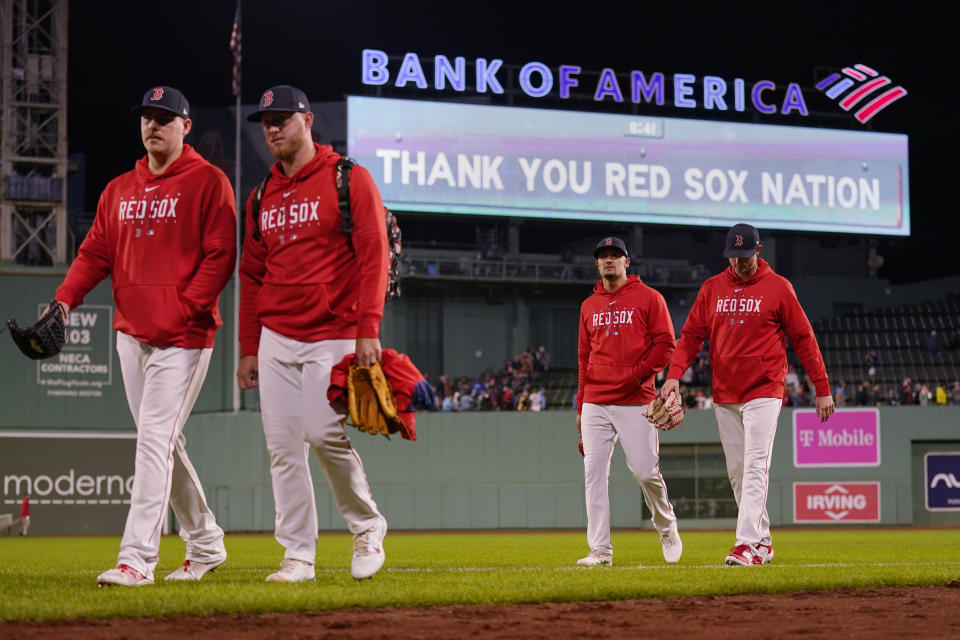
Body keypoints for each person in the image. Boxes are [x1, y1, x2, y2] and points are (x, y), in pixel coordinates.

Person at [53, 86, 236, 586]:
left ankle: (137, 559)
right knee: (162, 444)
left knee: (154, 440)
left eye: (164, 117)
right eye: (146, 117)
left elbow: (221, 254)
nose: (153, 125)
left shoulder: (208, 182)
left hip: (185, 336)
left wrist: (186, 307)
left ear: (185, 126)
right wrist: (65, 299)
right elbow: (93, 255)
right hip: (131, 334)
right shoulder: (118, 189)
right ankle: (206, 542)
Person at [237, 85, 389, 583]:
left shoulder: (349, 178)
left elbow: (374, 258)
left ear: (307, 119)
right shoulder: (261, 195)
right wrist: (247, 347)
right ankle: (298, 555)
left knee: (324, 433)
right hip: (277, 336)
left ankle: (367, 527)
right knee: (283, 449)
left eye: (282, 118)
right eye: (266, 121)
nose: (274, 128)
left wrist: (368, 329)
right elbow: (251, 274)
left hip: (335, 330)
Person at [662, 223, 834, 567]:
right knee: (738, 471)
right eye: (733, 257)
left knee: (755, 465)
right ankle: (763, 541)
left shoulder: (778, 288)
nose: (739, 263)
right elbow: (692, 335)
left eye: (744, 256)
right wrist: (673, 376)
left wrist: (822, 387)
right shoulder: (712, 288)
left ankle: (746, 544)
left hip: (765, 388)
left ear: (758, 251)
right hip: (725, 392)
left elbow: (803, 337)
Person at [575, 236, 682, 567]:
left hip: (636, 399)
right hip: (595, 400)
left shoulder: (649, 298)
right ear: (597, 264)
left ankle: (666, 527)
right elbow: (583, 357)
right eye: (603, 256)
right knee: (593, 474)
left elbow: (666, 345)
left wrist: (636, 375)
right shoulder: (588, 305)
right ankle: (601, 552)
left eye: (615, 255)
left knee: (644, 472)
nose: (609, 260)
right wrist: (580, 407)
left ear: (626, 262)